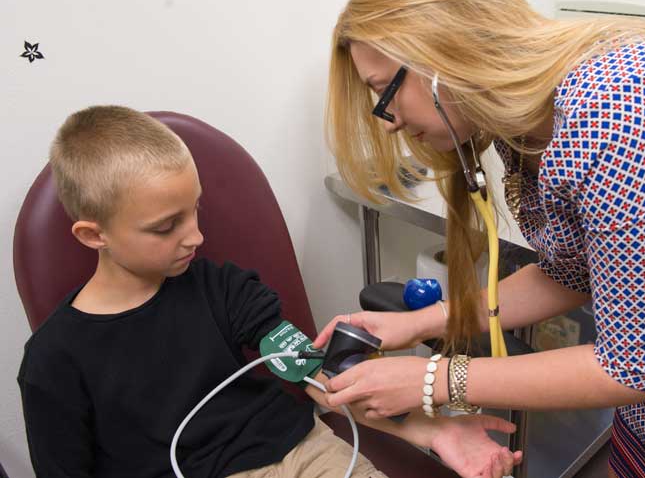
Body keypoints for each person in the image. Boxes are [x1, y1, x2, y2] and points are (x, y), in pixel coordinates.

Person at [314, 0, 645, 478]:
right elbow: (574, 273)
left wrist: (433, 379)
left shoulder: (614, 113)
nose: (390, 121)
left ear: (440, 54)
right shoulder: (519, 127)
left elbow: (635, 366)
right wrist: (425, 321)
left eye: (384, 92)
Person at [17, 105, 522, 478]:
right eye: (165, 226)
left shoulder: (222, 288)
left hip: (304, 454)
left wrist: (430, 429)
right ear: (93, 235)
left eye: (195, 210)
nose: (195, 235)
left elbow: (316, 374)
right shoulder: (54, 361)